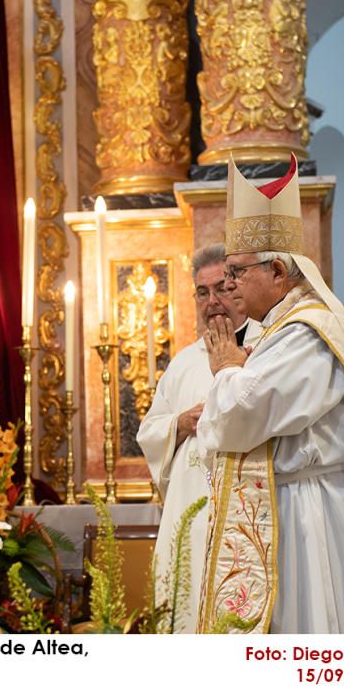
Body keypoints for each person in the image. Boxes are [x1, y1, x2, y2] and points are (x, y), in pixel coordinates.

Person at [196, 155, 344, 633]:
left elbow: (242, 415)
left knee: (312, 630)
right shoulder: (279, 330)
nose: (230, 284)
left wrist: (224, 371)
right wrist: (234, 371)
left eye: (238, 272)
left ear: (278, 271)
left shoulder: (309, 332)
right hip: (292, 504)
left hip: (310, 516)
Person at [136, 244, 258, 632]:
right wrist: (181, 424)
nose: (212, 302)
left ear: (239, 286)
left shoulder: (266, 347)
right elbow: (150, 431)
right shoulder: (184, 361)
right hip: (189, 508)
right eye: (202, 293)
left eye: (221, 288)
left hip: (244, 509)